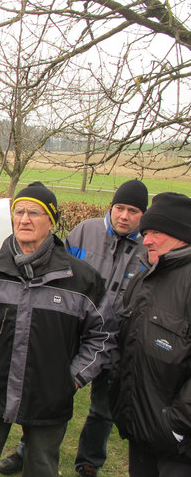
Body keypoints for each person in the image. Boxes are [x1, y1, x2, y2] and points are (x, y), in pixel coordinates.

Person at [0, 181, 115, 477]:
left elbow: (102, 337)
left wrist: (73, 378)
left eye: (35, 213)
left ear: (51, 222)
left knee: (41, 465)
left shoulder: (81, 280)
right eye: (19, 211)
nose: (24, 219)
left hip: (50, 397)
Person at [0, 179, 148, 477]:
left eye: (133, 211)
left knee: (102, 409)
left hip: (116, 342)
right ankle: (25, 452)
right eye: (119, 208)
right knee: (46, 397)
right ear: (111, 207)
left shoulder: (148, 247)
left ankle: (89, 462)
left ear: (143, 215)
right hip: (68, 331)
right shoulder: (85, 232)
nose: (124, 216)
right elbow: (57, 269)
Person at [109, 192, 191, 476]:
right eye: (145, 233)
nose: (146, 240)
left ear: (181, 234)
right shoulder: (145, 276)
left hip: (179, 445)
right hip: (139, 428)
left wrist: (176, 425)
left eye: (155, 232)